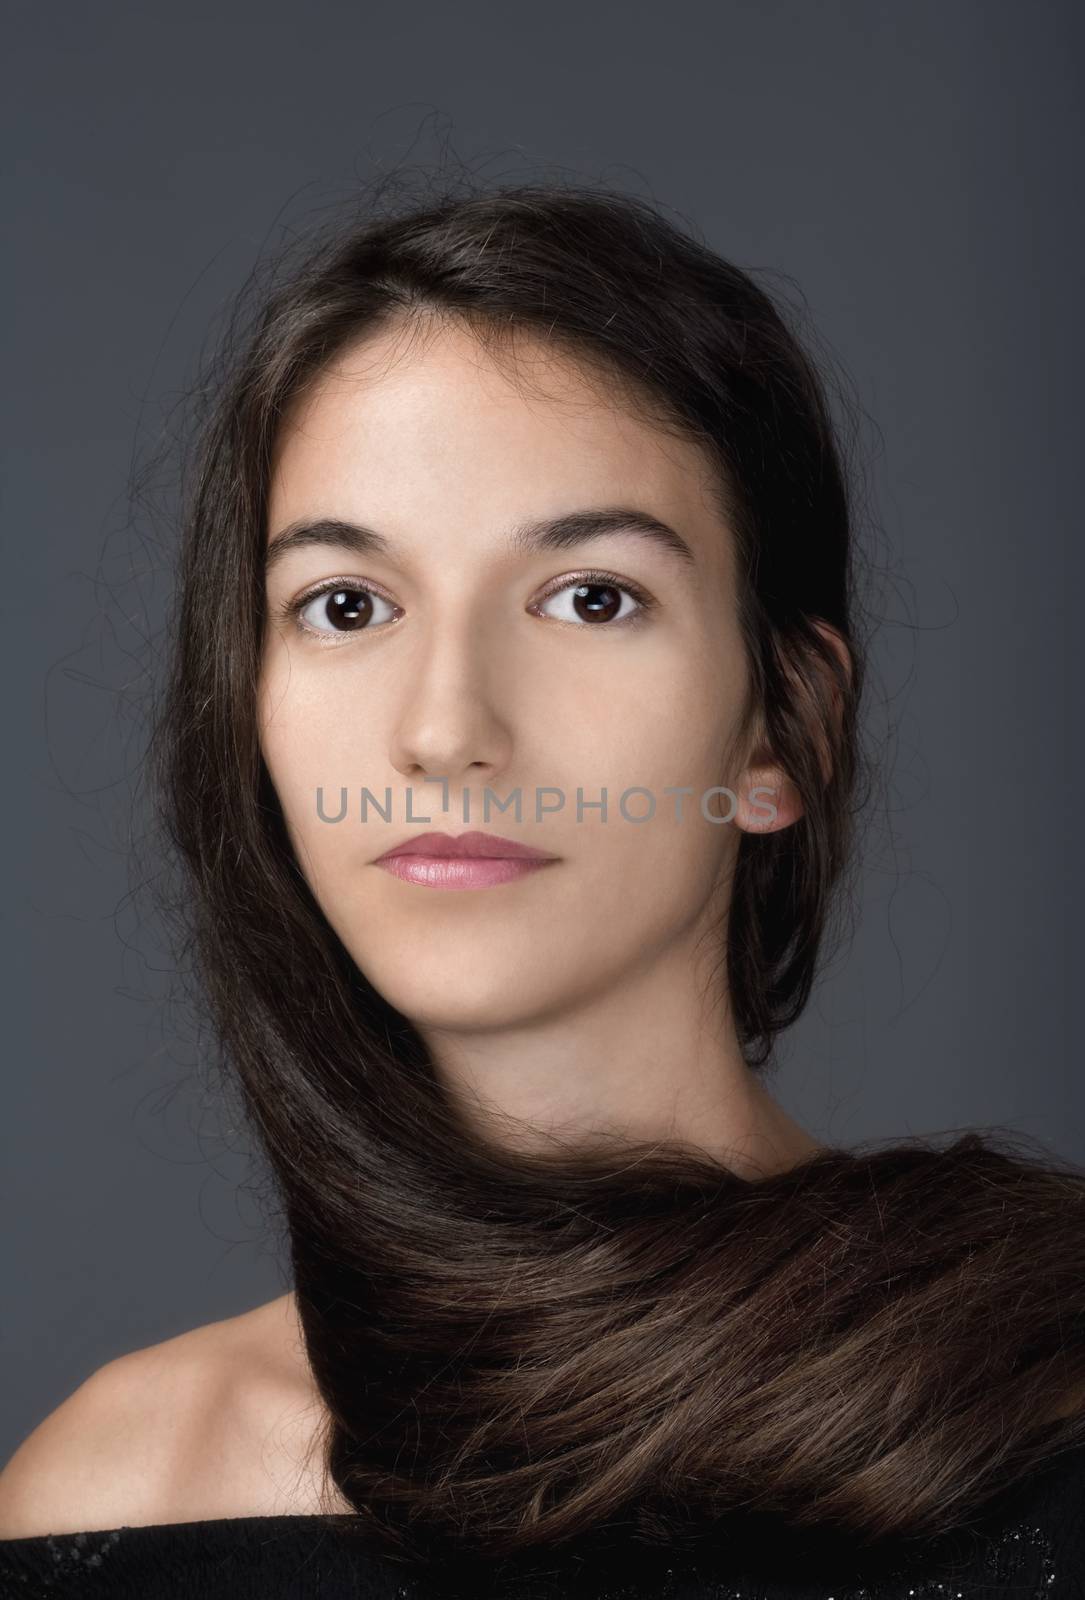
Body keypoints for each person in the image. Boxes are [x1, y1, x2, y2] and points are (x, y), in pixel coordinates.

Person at [1, 178, 1083, 1598]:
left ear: (783, 732)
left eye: (588, 596)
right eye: (346, 606)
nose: (445, 728)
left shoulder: (1035, 1387)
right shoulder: (113, 1491)